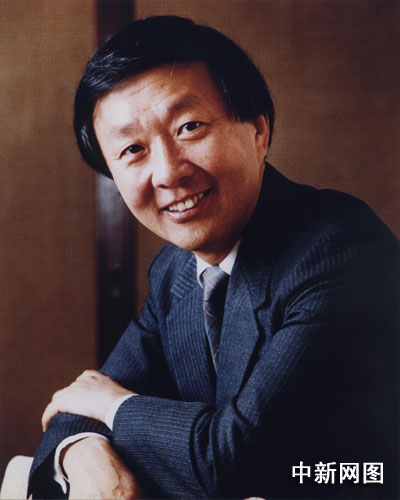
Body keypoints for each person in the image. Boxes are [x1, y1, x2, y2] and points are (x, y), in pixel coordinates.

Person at [28, 15, 399, 500]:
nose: (168, 172)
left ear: (258, 130)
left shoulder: (338, 248)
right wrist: (83, 452)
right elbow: (74, 409)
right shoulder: (175, 272)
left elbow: (238, 460)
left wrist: (114, 407)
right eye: (133, 149)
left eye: (189, 127)